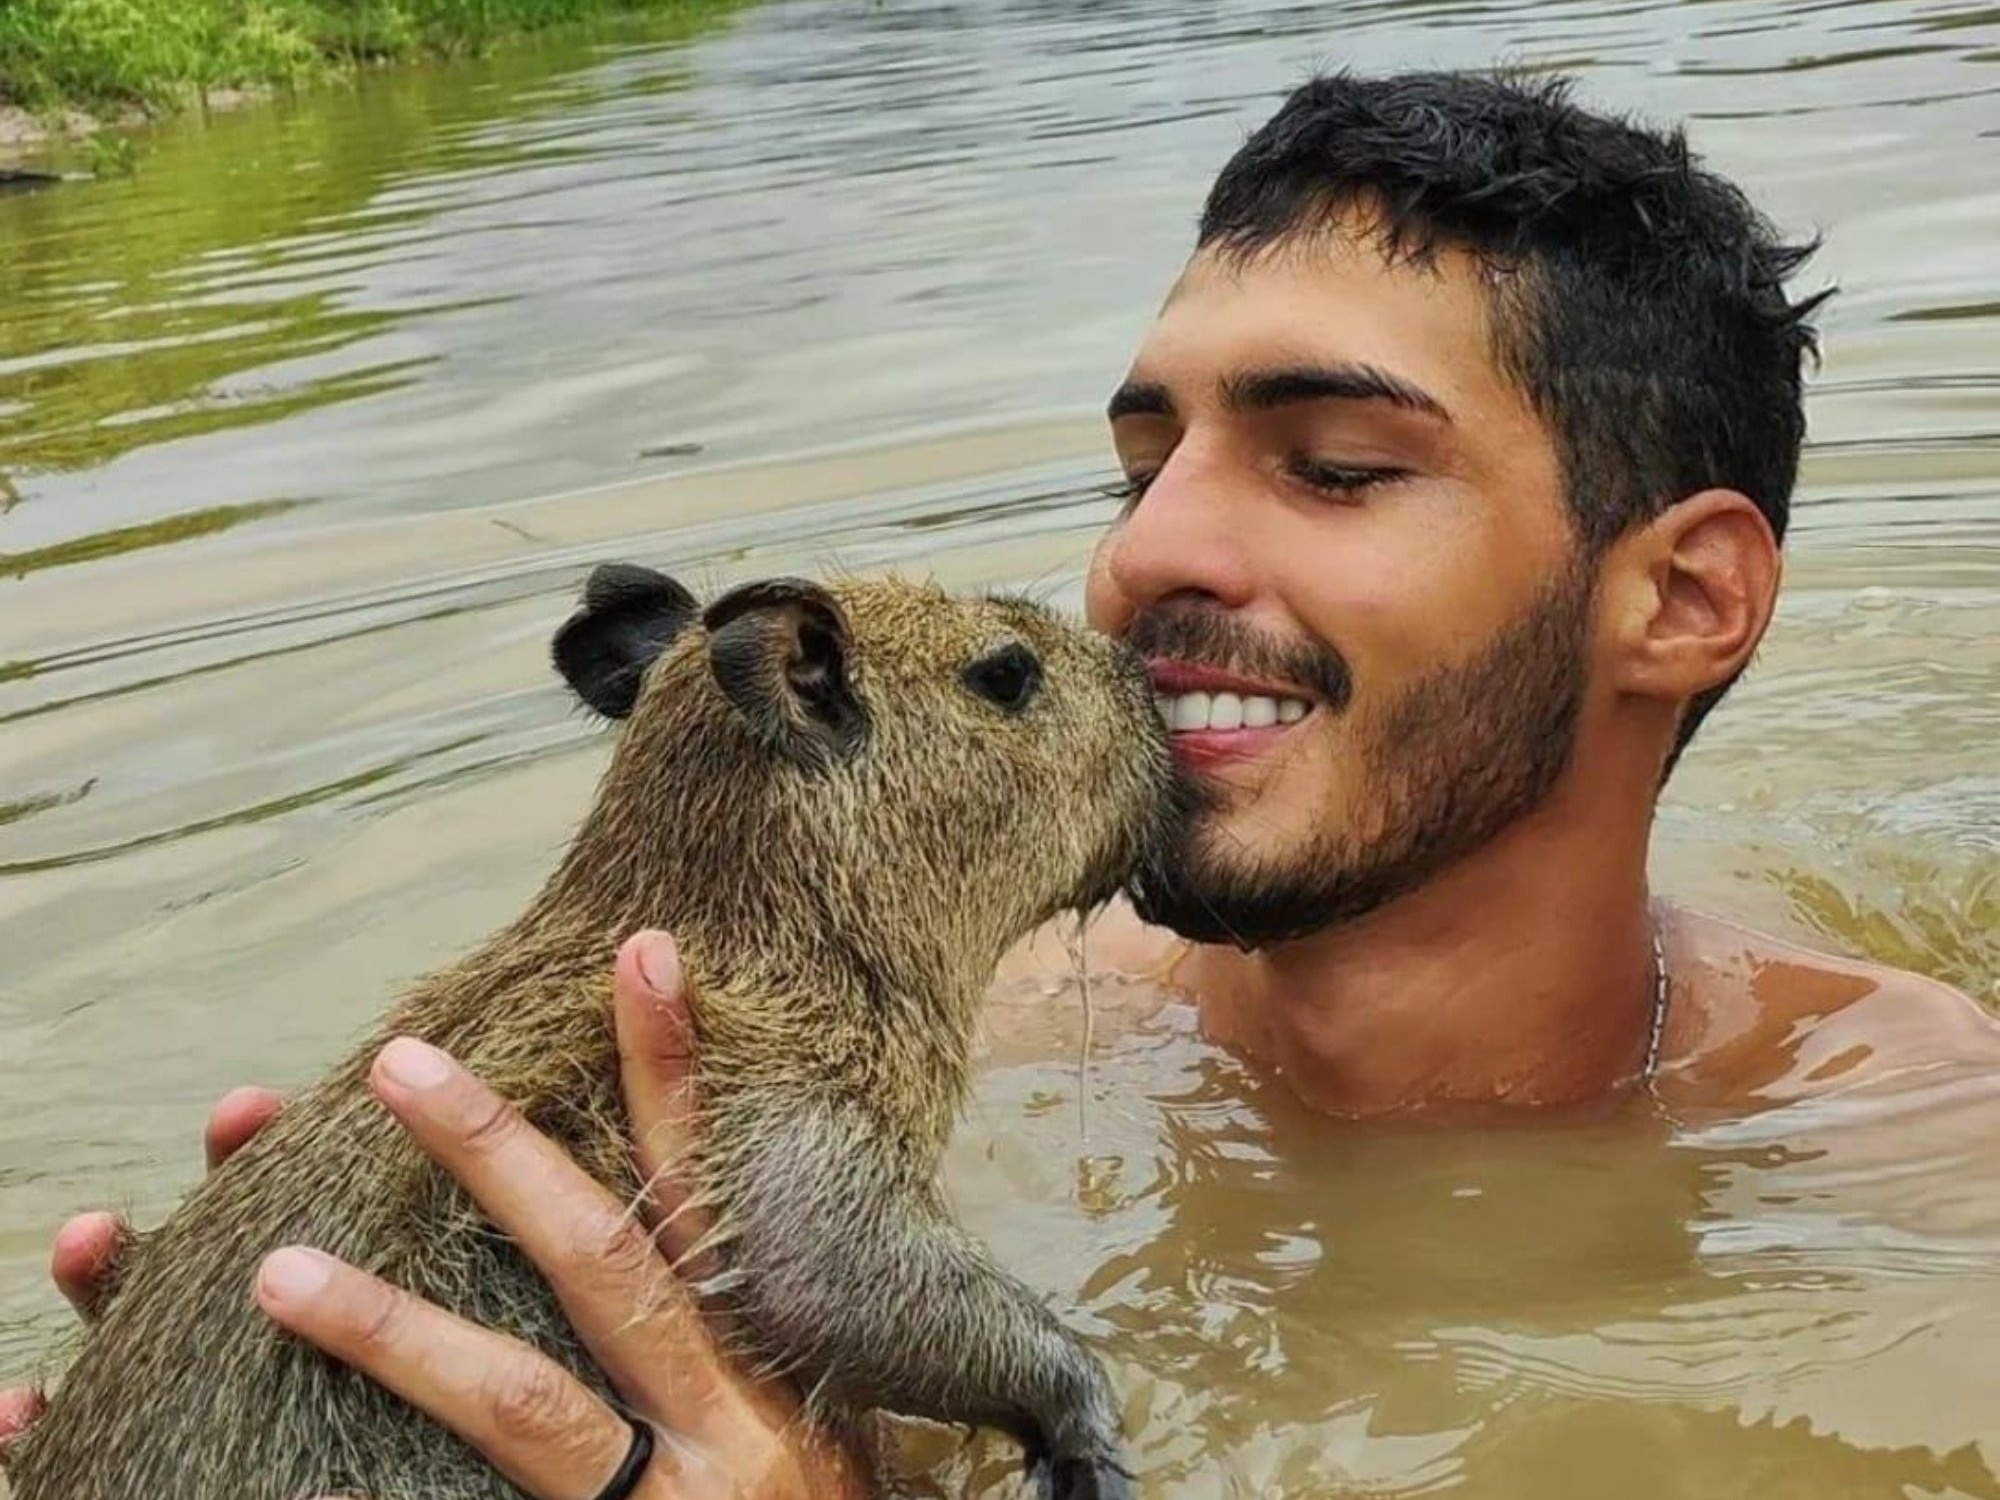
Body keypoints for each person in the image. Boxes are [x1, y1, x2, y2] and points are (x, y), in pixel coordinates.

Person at [4, 68, 1993, 1499]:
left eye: (1333, 465)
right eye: (1140, 470)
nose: (1143, 563)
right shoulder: (970, 1037)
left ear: (1686, 599)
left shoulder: (1930, 1173)